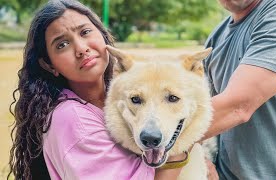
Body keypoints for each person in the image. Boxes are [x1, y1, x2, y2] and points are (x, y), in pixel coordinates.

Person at [8, 0, 206, 179]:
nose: (81, 48)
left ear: (102, 35)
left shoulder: (122, 93)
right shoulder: (72, 119)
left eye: (85, 32)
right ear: (49, 65)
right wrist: (182, 151)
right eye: (62, 44)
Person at [202, 0, 276, 179]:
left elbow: (237, 107)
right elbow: (209, 113)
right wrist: (198, 158)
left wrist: (156, 137)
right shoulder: (217, 37)